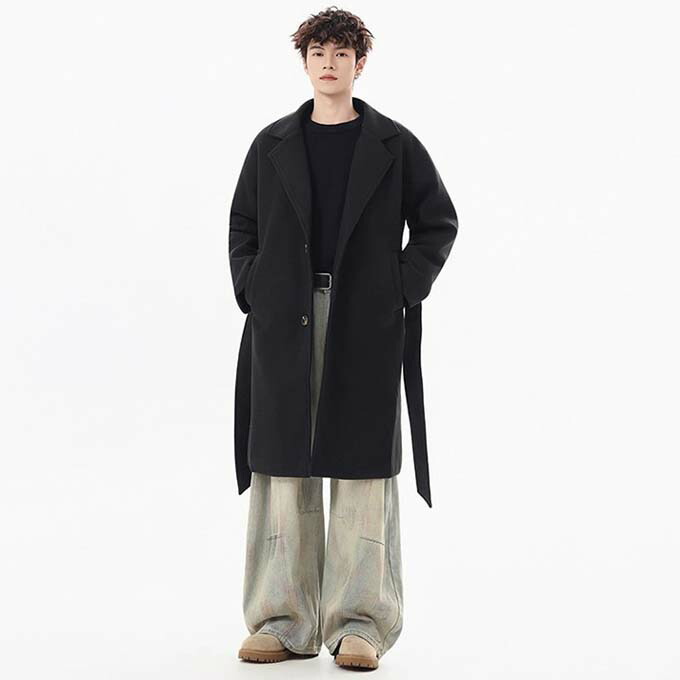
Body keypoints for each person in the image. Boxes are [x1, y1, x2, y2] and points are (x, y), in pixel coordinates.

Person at [229, 6, 458, 670]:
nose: (328, 64)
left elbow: (438, 222)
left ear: (360, 63)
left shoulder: (395, 145)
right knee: (282, 467)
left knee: (362, 471)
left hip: (364, 321)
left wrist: (400, 287)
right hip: (284, 321)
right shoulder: (271, 144)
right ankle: (282, 619)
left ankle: (362, 622)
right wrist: (256, 289)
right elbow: (243, 227)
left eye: (341, 53)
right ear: (304, 62)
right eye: (318, 53)